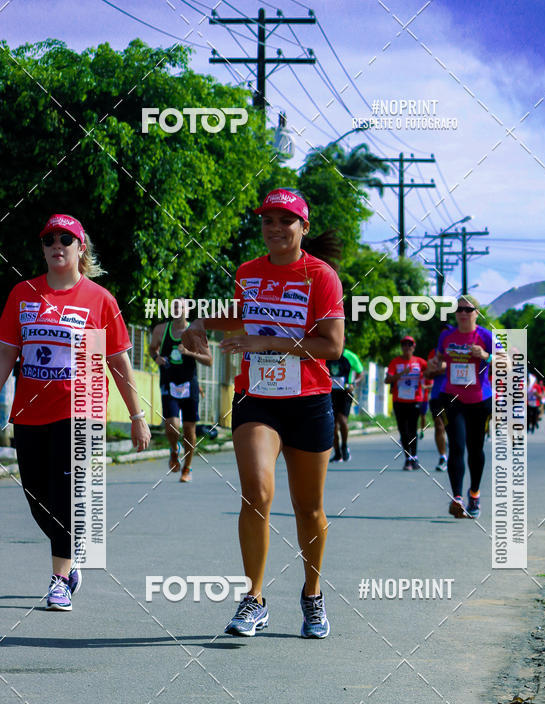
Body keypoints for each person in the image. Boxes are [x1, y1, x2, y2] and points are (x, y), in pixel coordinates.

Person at [182, 188, 344, 638]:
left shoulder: (321, 276)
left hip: (309, 401)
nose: (275, 228)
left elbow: (331, 345)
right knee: (255, 492)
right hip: (257, 398)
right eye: (268, 221)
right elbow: (242, 313)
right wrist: (199, 323)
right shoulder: (248, 272)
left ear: (303, 227)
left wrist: (267, 342)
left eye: (285, 221)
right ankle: (253, 598)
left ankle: (312, 596)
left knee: (308, 508)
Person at [0, 213, 151, 610]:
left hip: (79, 413)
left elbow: (119, 363)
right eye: (49, 240)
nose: (56, 246)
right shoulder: (23, 294)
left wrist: (137, 417)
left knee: (64, 496)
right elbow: (5, 355)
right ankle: (72, 547)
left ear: (80, 248)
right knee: (36, 497)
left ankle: (60, 578)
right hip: (30, 414)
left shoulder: (100, 300)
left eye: (65, 240)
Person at [426, 295, 501, 519]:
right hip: (452, 397)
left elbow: (506, 362)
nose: (463, 313)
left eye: (468, 310)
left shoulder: (486, 336)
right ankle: (457, 497)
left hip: (480, 399)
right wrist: (435, 365)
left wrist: (486, 356)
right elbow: (439, 360)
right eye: (459, 309)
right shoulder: (447, 335)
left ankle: (474, 494)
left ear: (477, 312)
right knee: (457, 446)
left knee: (475, 448)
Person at [149, 301, 212, 482]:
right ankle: (174, 450)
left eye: (181, 307)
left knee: (189, 429)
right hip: (169, 382)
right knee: (172, 424)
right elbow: (152, 348)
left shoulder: (195, 332)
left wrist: (190, 353)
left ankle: (187, 467)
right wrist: (156, 358)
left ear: (187, 310)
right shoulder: (161, 329)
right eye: (175, 307)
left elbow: (209, 360)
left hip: (189, 384)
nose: (177, 310)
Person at [385, 336, 427, 471]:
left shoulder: (420, 362)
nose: (407, 348)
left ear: (413, 347)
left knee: (412, 430)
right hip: (399, 400)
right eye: (404, 345)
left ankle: (414, 457)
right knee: (403, 431)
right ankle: (408, 458)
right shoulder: (395, 362)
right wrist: (402, 373)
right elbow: (387, 380)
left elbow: (430, 372)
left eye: (409, 345)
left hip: (415, 400)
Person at [327, 343, 364, 462]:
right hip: (330, 392)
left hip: (345, 393)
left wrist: (354, 383)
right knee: (332, 425)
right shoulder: (328, 353)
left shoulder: (350, 356)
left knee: (342, 420)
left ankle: (344, 446)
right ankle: (337, 452)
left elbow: (360, 372)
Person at [426, 346, 448, 471]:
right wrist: (440, 370)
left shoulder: (461, 351)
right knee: (439, 426)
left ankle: (457, 456)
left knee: (454, 429)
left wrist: (445, 368)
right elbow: (428, 373)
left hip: (456, 396)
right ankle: (443, 457)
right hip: (437, 395)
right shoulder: (434, 353)